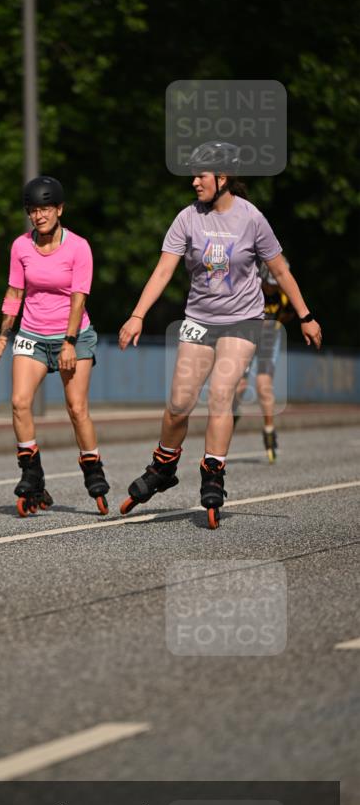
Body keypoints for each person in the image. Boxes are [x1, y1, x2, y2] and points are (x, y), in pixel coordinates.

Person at [118, 141, 322, 528]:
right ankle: (164, 465)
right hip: (199, 318)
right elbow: (163, 271)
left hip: (243, 320)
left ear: (223, 178)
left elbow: (280, 271)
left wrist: (306, 315)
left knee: (222, 394)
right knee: (179, 402)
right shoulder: (187, 219)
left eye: (201, 175)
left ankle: (213, 472)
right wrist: (137, 315)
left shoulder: (251, 219)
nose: (194, 182)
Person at [0, 175, 110, 516]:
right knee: (19, 402)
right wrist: (3, 334)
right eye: (32, 210)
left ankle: (93, 469)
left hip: (74, 333)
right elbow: (15, 293)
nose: (38, 216)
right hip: (32, 334)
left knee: (76, 408)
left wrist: (69, 342)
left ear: (59, 209)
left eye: (45, 209)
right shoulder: (20, 247)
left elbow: (78, 298)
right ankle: (32, 475)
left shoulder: (79, 247)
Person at [233, 259, 295, 461]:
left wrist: (275, 326)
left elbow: (288, 315)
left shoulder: (284, 295)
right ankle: (233, 410)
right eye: (269, 284)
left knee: (263, 385)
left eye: (275, 285)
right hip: (248, 338)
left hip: (269, 340)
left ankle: (269, 431)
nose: (271, 289)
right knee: (240, 386)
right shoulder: (251, 289)